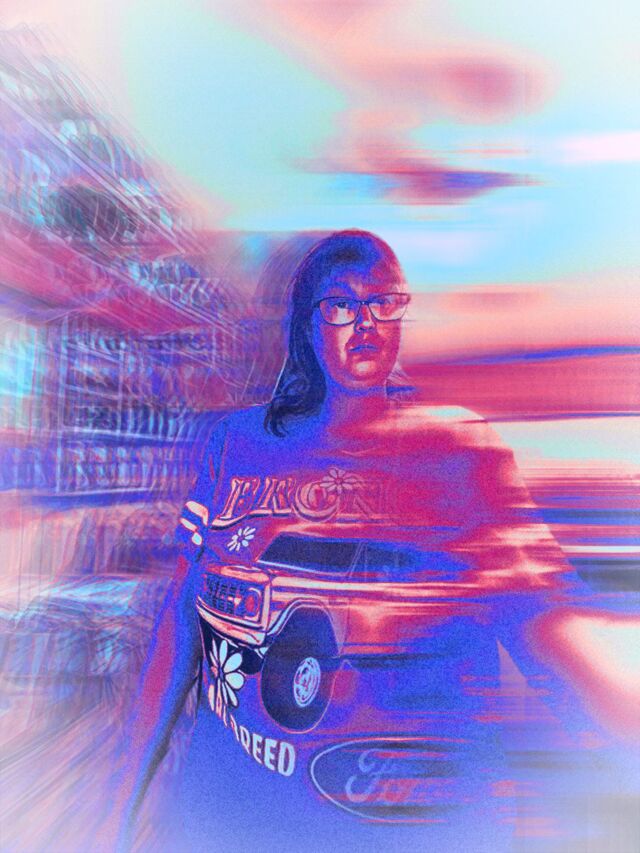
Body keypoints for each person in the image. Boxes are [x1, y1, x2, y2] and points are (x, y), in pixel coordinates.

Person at [109, 230, 615, 852]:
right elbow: (181, 622)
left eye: (383, 302)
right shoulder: (235, 443)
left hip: (407, 824)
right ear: (308, 325)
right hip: (224, 814)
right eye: (342, 305)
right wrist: (123, 793)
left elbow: (546, 628)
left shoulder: (459, 454)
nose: (365, 322)